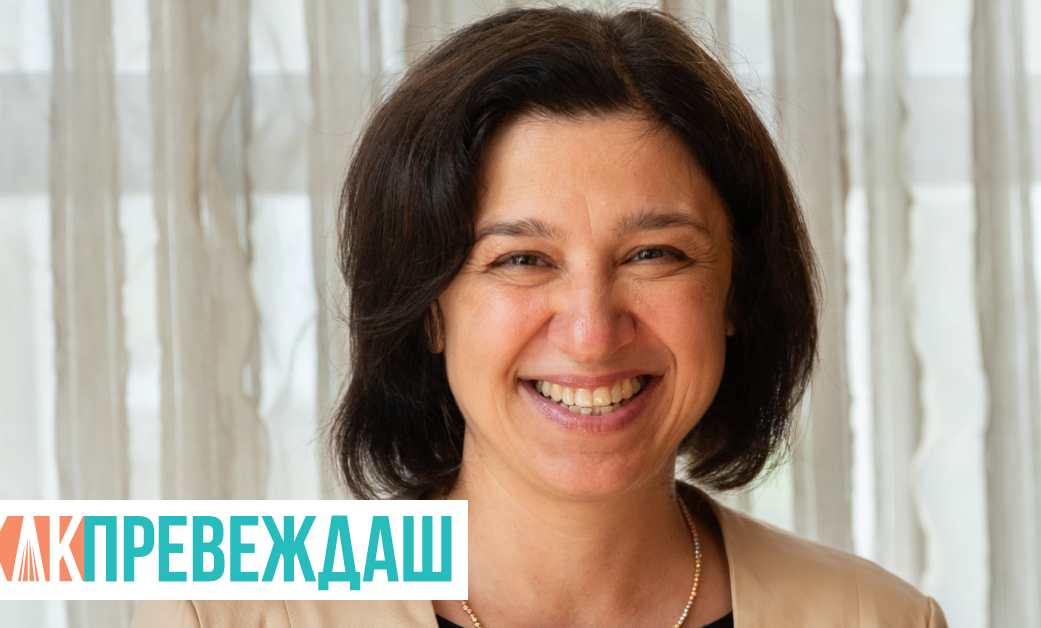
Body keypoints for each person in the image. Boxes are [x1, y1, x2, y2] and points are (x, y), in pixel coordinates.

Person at [134, 6, 948, 628]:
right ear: (428, 310)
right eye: (522, 260)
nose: (592, 332)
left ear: (736, 292)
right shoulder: (228, 614)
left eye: (654, 253)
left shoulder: (881, 620)